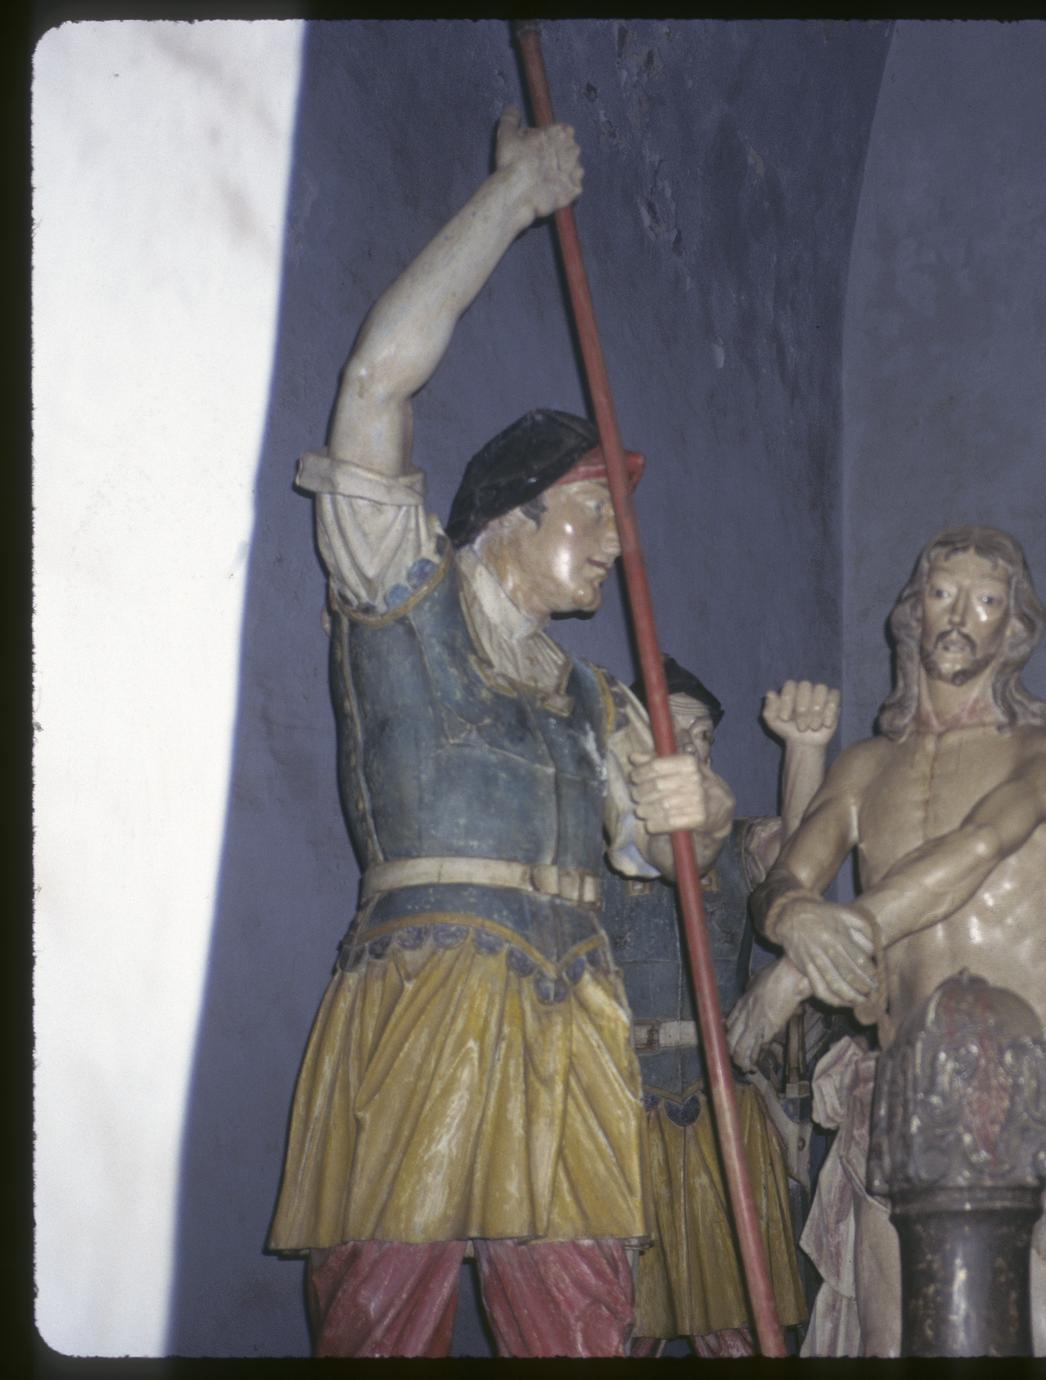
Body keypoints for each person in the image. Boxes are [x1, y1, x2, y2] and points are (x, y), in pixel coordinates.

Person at [266, 112, 730, 1358]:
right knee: (384, 1314)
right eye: (595, 510)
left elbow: (657, 848)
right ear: (510, 517)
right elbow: (377, 382)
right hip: (427, 988)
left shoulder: (597, 699)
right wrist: (513, 199)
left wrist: (697, 812)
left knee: (583, 1321)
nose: (619, 543)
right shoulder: (399, 600)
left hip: (573, 1011)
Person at [737, 525, 1046, 1356]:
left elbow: (977, 848)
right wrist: (792, 919)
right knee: (888, 1345)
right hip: (897, 1072)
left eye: (986, 600)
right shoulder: (864, 767)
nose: (960, 615)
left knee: (1030, 1348)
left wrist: (799, 971)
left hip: (1032, 1067)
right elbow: (784, 878)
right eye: (943, 594)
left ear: (1013, 629)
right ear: (913, 613)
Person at [604, 661, 838, 1355]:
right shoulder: (590, 849)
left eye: (704, 735)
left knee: (734, 1322)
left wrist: (803, 751)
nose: (694, 748)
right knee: (619, 1323)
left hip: (721, 1110)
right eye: (675, 732)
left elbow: (800, 866)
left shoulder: (740, 845)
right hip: (618, 1106)